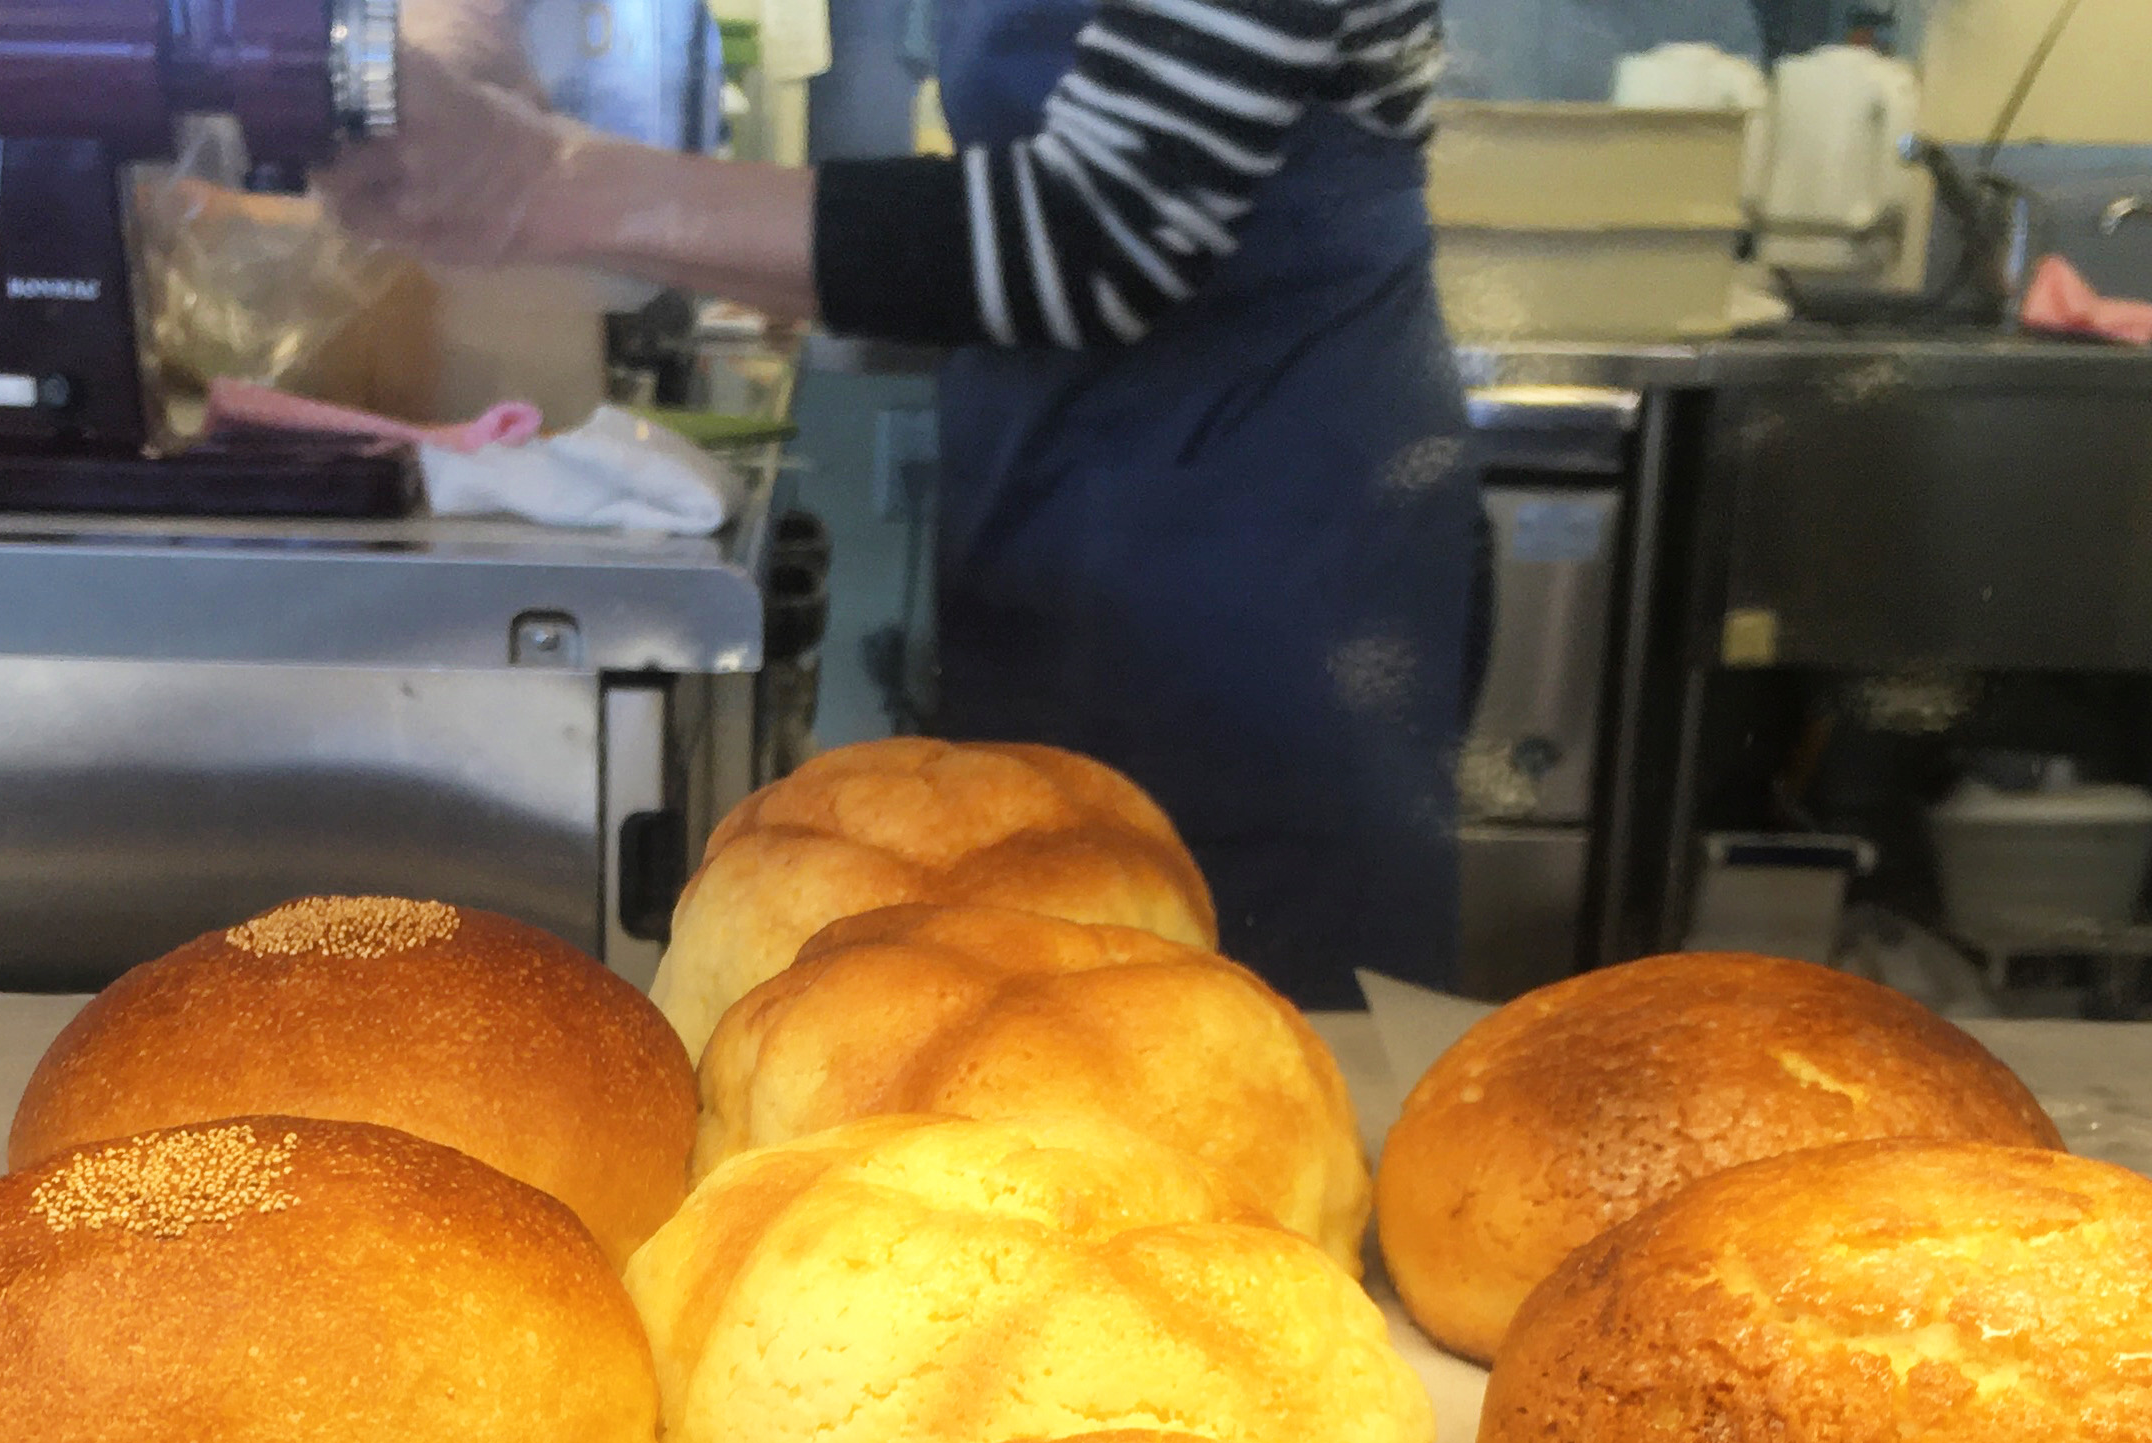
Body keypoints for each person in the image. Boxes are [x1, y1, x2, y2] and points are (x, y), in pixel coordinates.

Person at [322, 0, 1478, 1008]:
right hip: (1069, 503)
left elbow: (1099, 231)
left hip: (1271, 556)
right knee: (1027, 1020)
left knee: (1249, 1057)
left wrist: (535, 183)